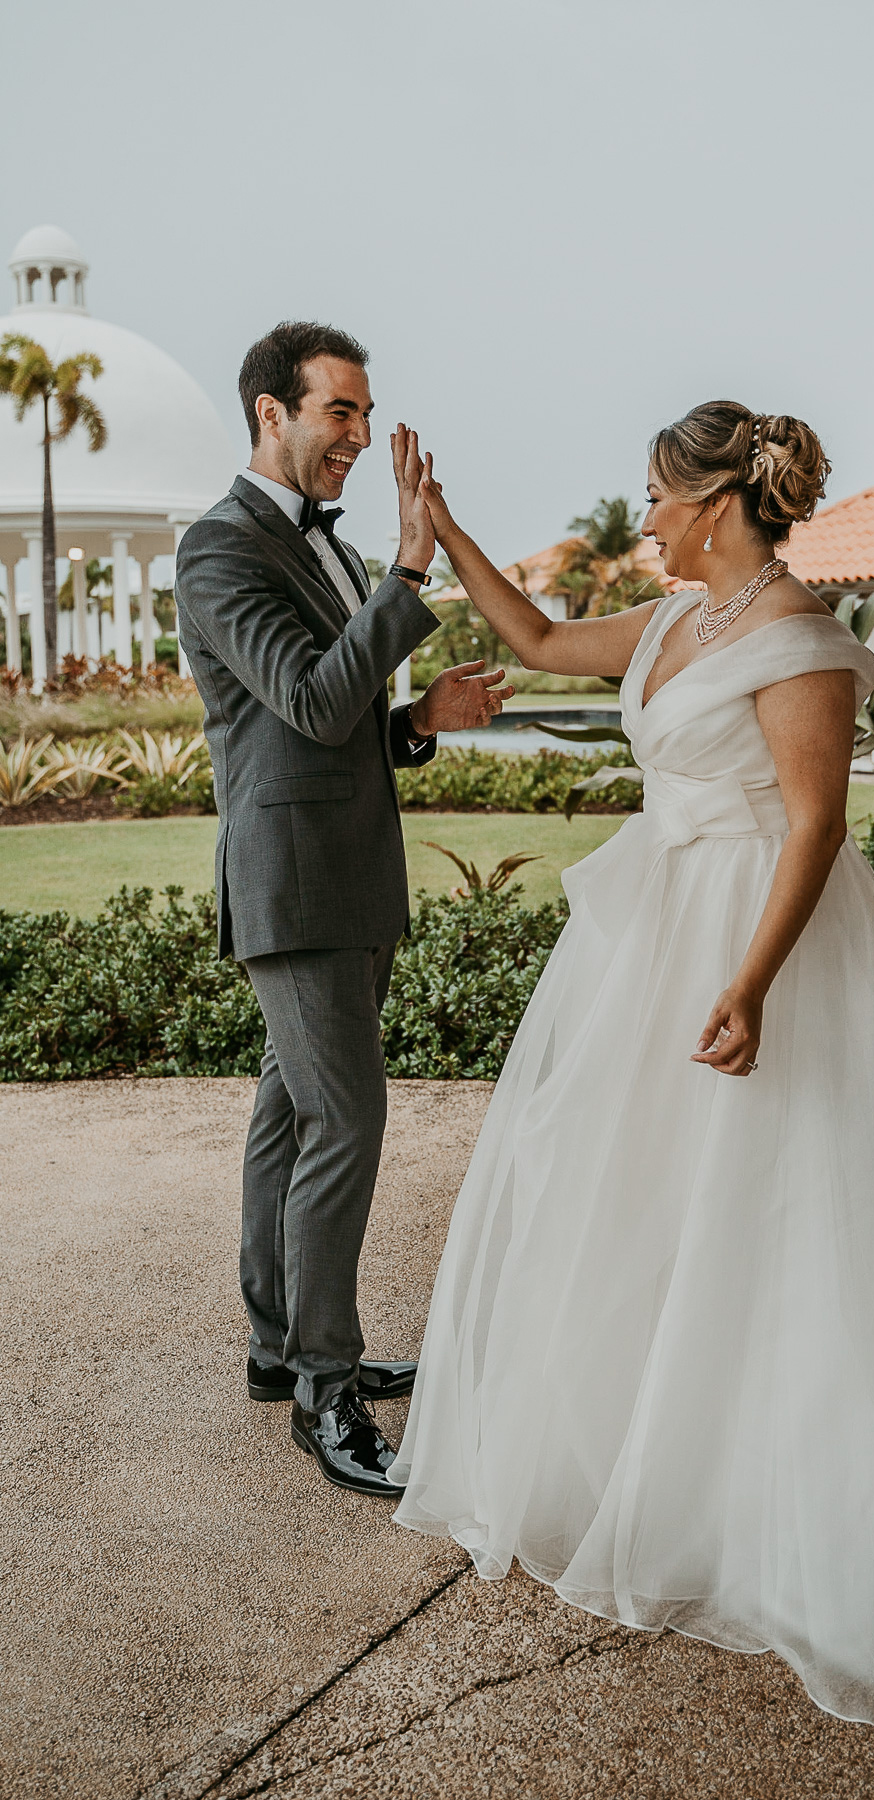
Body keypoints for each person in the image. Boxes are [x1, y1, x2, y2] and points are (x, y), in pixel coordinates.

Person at [385, 400, 874, 1774]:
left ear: (713, 505)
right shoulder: (662, 629)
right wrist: (444, 530)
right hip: (645, 944)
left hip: (760, 945)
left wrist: (752, 984)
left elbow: (817, 824)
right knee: (640, 1196)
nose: (640, 519)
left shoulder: (804, 643)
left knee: (783, 1205)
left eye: (654, 496)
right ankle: (670, 1452)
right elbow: (529, 640)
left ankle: (828, 1482)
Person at [175, 322, 513, 1499]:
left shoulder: (323, 550)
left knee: (293, 1114)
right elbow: (313, 706)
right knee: (347, 1122)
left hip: (349, 874)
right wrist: (408, 574)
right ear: (272, 412)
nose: (360, 439)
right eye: (339, 415)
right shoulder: (218, 551)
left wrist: (420, 720)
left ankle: (281, 1349)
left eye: (368, 417)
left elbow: (338, 719)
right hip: (297, 887)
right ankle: (327, 1391)